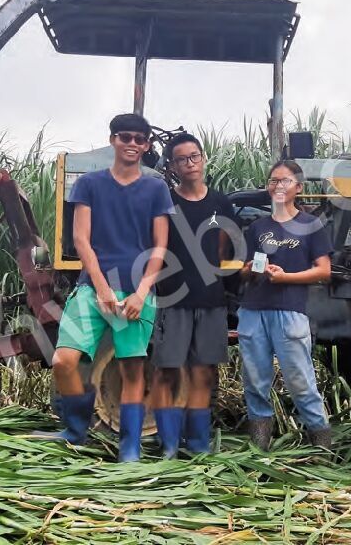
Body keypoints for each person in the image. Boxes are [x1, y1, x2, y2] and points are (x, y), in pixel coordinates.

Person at [37, 113, 173, 462]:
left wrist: (142, 293)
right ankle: (75, 430)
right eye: (124, 136)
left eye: (139, 139)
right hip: (92, 289)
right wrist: (101, 288)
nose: (131, 143)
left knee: (131, 369)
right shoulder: (90, 184)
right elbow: (82, 240)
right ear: (113, 140)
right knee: (63, 360)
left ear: (146, 146)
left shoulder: (156, 188)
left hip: (136, 292)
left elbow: (160, 247)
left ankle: (130, 448)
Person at [150, 132, 238, 458]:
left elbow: (227, 246)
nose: (190, 164)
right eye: (182, 159)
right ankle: (169, 446)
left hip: (211, 301)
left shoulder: (220, 203)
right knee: (167, 372)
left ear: (203, 158)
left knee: (203, 373)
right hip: (172, 301)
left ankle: (198, 446)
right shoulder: (164, 203)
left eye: (195, 156)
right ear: (172, 166)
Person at [238, 160, 334, 450]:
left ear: (298, 188)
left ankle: (322, 446)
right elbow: (243, 269)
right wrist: (254, 270)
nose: (278, 186)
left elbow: (324, 271)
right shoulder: (257, 227)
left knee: (300, 381)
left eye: (285, 181)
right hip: (253, 310)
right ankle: (260, 445)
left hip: (290, 312)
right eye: (273, 181)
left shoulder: (310, 225)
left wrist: (286, 278)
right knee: (254, 382)